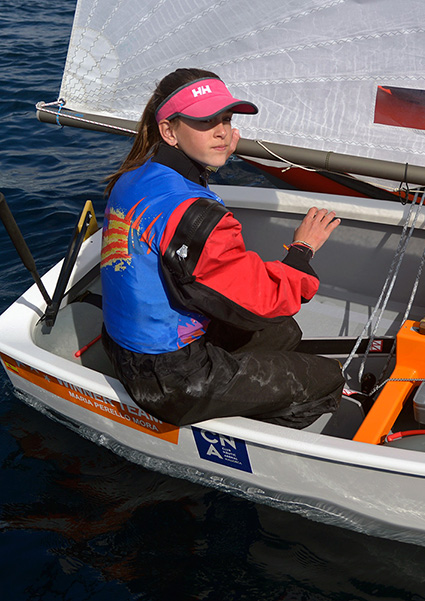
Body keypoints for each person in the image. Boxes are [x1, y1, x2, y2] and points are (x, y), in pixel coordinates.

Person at [100, 68, 345, 429]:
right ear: (169, 131)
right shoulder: (193, 215)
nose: (222, 132)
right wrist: (302, 250)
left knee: (284, 332)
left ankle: (240, 397)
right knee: (327, 378)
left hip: (125, 347)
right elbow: (262, 302)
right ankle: (241, 434)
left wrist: (209, 160)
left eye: (226, 120)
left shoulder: (134, 176)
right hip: (170, 379)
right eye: (205, 122)